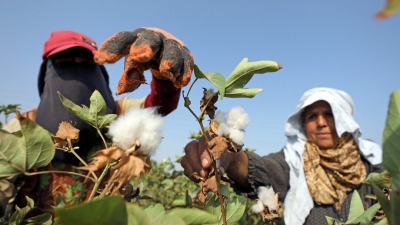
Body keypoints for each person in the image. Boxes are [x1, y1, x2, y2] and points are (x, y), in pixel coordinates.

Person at [0, 28, 193, 217]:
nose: (77, 70)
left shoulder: (119, 114)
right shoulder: (23, 126)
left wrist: (163, 76)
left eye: (86, 63)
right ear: (47, 72)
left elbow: (158, 107)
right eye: (65, 63)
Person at [180, 87, 383, 225]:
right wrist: (229, 154)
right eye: (312, 116)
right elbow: (265, 169)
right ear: (303, 124)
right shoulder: (294, 159)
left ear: (344, 120)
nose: (321, 123)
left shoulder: (373, 161)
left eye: (329, 114)